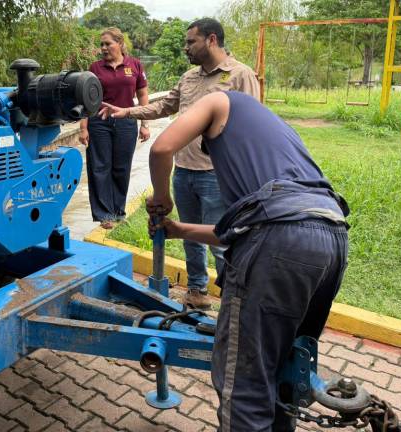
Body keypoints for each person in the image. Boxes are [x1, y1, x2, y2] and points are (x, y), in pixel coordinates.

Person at [147, 91, 349, 432]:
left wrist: (163, 198)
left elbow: (161, 148)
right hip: (332, 236)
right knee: (285, 367)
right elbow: (246, 232)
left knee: (245, 385)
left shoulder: (219, 100)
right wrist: (178, 229)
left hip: (281, 240)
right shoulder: (276, 139)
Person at [100, 18, 259, 309]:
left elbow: (253, 123)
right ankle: (197, 290)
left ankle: (234, 304)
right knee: (189, 235)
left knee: (222, 241)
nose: (185, 48)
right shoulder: (189, 77)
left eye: (191, 42)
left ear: (211, 40)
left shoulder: (240, 75)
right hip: (183, 170)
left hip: (218, 175)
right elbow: (165, 105)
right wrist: (127, 111)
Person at [79, 27, 150, 229]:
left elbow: (143, 95)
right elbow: (86, 100)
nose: (103, 48)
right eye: (101, 44)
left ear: (119, 43)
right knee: (100, 167)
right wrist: (83, 128)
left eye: (108, 43)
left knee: (121, 167)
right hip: (99, 122)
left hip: (127, 122)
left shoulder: (134, 65)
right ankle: (104, 214)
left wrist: (144, 123)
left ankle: (118, 211)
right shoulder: (95, 68)